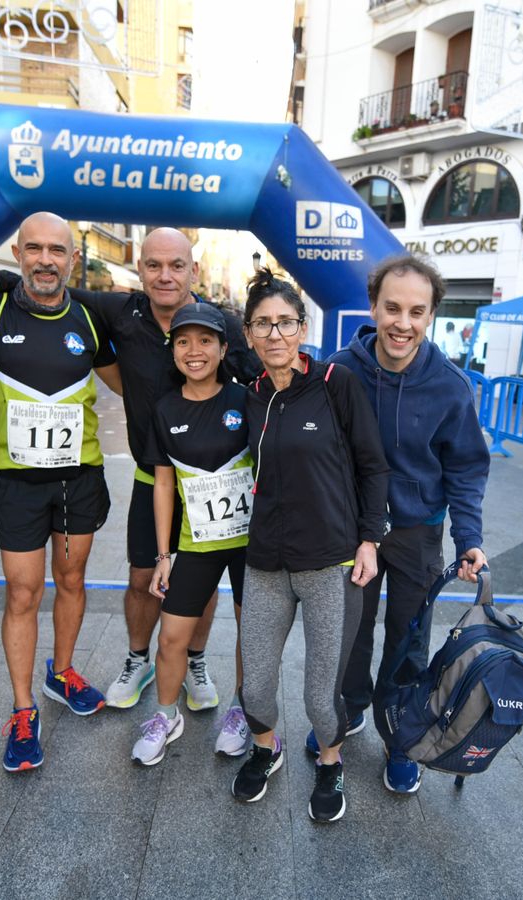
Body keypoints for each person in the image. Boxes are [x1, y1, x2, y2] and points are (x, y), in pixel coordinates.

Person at [0, 229, 260, 755]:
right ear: (140, 270)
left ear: (193, 270)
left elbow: (264, 390)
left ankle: (194, 661)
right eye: (154, 265)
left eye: (177, 266)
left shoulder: (223, 324)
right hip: (154, 477)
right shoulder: (120, 312)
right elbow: (43, 286)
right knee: (143, 580)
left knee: (204, 583)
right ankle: (139, 659)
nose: (165, 276)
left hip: (218, 485)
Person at [326, 254, 490, 795]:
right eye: (392, 308)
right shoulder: (340, 371)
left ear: (431, 316)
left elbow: (466, 466)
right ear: (373, 307)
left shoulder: (450, 385)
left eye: (417, 311)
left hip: (419, 530)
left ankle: (400, 734)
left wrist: (469, 540)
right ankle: (346, 712)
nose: (403, 322)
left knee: (409, 639)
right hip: (354, 529)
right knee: (351, 631)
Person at [231, 269, 388, 823]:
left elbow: (372, 464)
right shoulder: (246, 398)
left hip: (331, 562)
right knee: (255, 689)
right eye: (263, 325)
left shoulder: (334, 383)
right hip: (266, 563)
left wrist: (370, 539)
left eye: (286, 322)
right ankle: (265, 748)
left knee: (322, 697)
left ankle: (329, 761)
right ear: (248, 334)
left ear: (302, 328)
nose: (275, 334)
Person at [0, 211, 122, 773]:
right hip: (17, 482)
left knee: (73, 579)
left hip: (77, 478)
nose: (45, 260)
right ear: (16, 253)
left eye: (56, 251)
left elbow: (127, 384)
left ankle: (61, 673)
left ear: (73, 259)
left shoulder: (87, 318)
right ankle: (22, 708)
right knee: (23, 593)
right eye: (33, 249)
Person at [132, 303, 253, 765]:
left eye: (206, 341)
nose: (194, 350)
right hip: (197, 543)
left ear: (224, 349)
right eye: (184, 341)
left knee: (252, 634)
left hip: (250, 545)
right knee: (171, 638)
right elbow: (163, 483)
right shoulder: (164, 409)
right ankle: (166, 716)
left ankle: (244, 712)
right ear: (174, 351)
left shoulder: (246, 400)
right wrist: (163, 555)